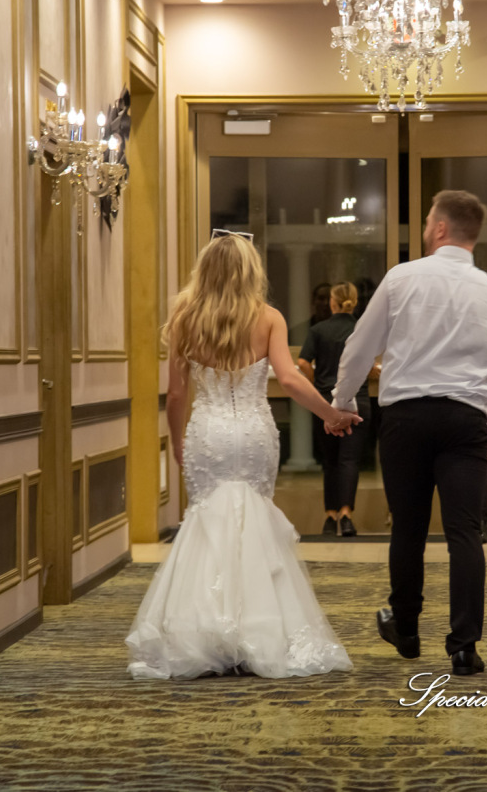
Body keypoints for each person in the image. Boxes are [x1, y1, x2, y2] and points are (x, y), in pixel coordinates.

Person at [126, 230, 359, 680]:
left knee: (207, 524)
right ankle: (261, 630)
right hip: (253, 432)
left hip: (208, 433)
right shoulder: (268, 317)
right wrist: (330, 414)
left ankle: (205, 632)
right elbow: (289, 380)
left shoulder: (184, 318)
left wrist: (177, 442)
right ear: (250, 271)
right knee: (253, 520)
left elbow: (176, 395)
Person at [331, 190, 487, 677]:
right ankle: (464, 647)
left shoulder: (402, 279)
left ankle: (408, 629)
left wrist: (342, 402)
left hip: (407, 420)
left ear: (439, 228)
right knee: (465, 533)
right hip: (466, 424)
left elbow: (359, 347)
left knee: (409, 528)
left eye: (425, 222)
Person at [298, 282, 372, 538]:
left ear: (332, 302)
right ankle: (346, 515)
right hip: (358, 401)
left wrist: (317, 383)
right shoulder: (360, 330)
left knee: (330, 462)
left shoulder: (319, 330)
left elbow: (302, 362)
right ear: (354, 302)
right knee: (349, 460)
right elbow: (370, 364)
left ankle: (329, 517)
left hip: (325, 402)